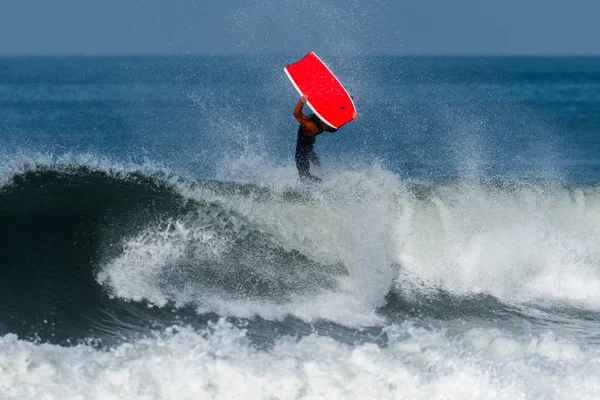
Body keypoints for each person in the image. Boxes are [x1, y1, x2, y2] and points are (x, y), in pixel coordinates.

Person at [293, 95, 357, 182]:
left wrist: (351, 116)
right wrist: (301, 101)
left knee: (316, 160)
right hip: (301, 152)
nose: (328, 127)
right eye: (327, 126)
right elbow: (296, 114)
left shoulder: (328, 118)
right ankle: (321, 183)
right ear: (323, 123)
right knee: (304, 177)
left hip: (309, 146)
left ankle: (323, 174)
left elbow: (338, 112)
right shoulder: (312, 126)